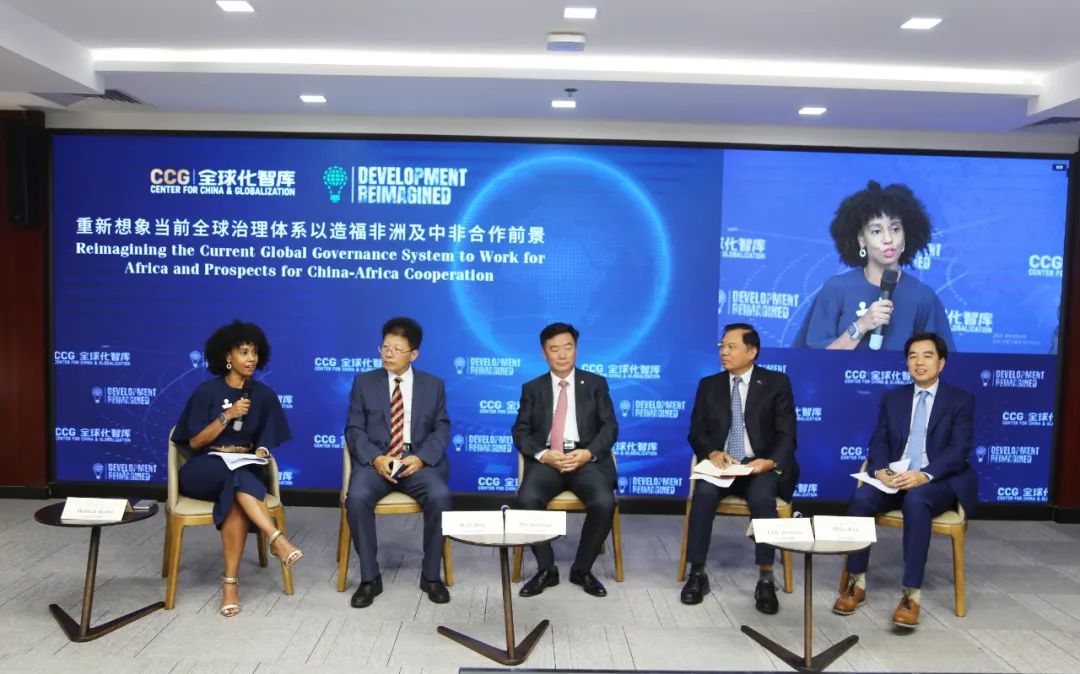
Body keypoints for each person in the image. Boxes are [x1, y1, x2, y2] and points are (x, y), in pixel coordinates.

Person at [832, 332, 976, 628]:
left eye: (927, 356)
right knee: (861, 499)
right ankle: (856, 583)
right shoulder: (894, 398)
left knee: (917, 501)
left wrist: (924, 475)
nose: (919, 362)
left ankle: (911, 595)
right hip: (895, 478)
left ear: (941, 363)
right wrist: (881, 470)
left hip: (935, 482)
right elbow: (880, 440)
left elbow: (958, 450)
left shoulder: (960, 400)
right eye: (913, 356)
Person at [171, 320, 302, 618]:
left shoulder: (264, 395)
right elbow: (194, 441)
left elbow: (267, 439)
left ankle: (230, 585)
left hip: (243, 466)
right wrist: (227, 415)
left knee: (235, 491)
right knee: (235, 478)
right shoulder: (207, 391)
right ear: (227, 356)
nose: (251, 358)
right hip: (205, 467)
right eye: (244, 352)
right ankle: (275, 538)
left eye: (254, 352)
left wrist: (261, 451)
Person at [681, 323, 798, 614]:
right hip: (723, 466)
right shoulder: (709, 385)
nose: (724, 351)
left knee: (762, 499)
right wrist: (712, 452)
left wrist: (770, 461)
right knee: (703, 495)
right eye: (722, 345)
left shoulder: (776, 383)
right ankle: (697, 572)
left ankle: (766, 578)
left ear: (752, 351)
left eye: (731, 346)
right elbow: (696, 431)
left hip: (759, 466)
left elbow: (787, 433)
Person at [344, 317, 452, 608]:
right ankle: (370, 578)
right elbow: (354, 429)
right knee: (356, 498)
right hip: (377, 462)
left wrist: (421, 458)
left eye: (396, 349)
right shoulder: (364, 382)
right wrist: (376, 458)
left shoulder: (433, 385)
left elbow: (442, 428)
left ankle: (431, 576)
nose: (388, 354)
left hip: (415, 461)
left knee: (440, 496)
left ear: (413, 354)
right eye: (385, 347)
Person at [512, 322, 619, 598]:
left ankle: (582, 568)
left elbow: (610, 428)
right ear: (544, 353)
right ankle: (546, 568)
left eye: (568, 347)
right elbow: (520, 432)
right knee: (526, 500)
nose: (562, 355)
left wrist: (588, 453)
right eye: (554, 349)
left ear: (576, 349)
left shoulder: (595, 384)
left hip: (584, 460)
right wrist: (544, 454)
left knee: (604, 502)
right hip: (549, 461)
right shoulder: (532, 388)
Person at [794, 180, 954, 352]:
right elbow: (813, 361)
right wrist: (861, 325)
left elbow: (940, 361)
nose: (888, 239)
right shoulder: (836, 289)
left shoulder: (922, 297)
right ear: (861, 239)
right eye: (876, 231)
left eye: (895, 229)